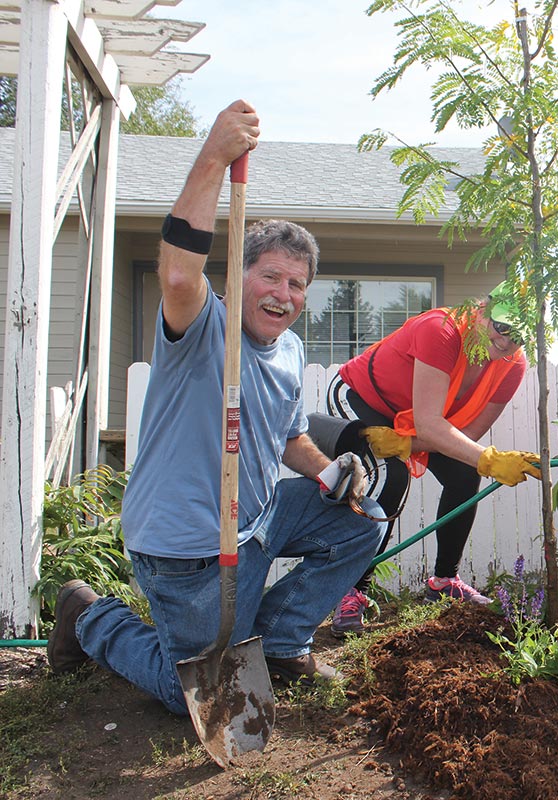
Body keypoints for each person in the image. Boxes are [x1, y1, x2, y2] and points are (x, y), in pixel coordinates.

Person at [45, 100, 387, 713]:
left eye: (297, 285)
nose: (283, 294)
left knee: (365, 521)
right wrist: (212, 156)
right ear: (236, 277)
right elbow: (178, 277)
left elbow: (287, 436)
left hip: (253, 521)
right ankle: (89, 617)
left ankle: (281, 643)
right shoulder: (204, 327)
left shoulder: (288, 350)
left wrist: (331, 472)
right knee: (193, 696)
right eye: (271, 277)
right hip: (187, 546)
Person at [324, 281, 540, 632]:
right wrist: (489, 458)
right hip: (363, 398)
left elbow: (467, 435)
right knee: (391, 476)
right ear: (482, 310)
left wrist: (416, 445)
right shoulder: (441, 331)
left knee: (465, 474)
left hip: (418, 422)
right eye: (501, 326)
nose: (505, 341)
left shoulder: (512, 365)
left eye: (517, 335)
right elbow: (428, 423)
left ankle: (444, 582)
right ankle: (349, 591)